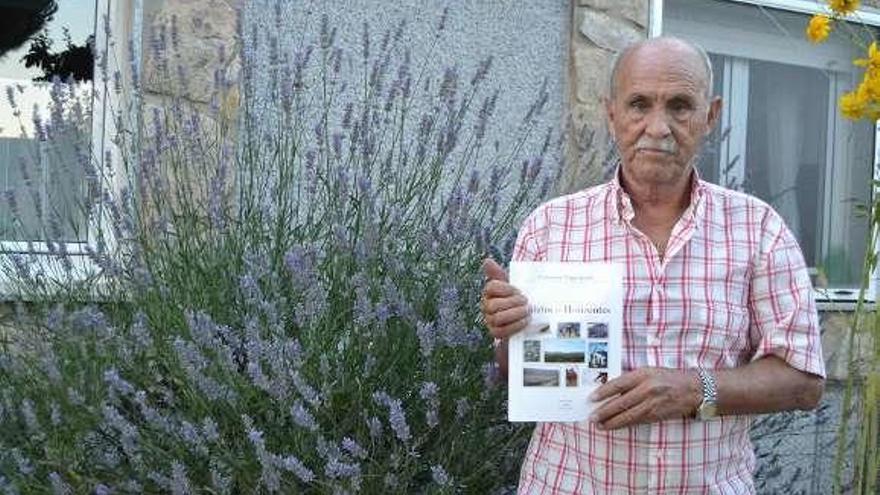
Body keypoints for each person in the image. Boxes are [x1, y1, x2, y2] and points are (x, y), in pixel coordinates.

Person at [480, 37, 825, 494]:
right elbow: (518, 373)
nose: (657, 127)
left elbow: (803, 382)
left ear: (711, 116)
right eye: (639, 104)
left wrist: (692, 390)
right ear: (612, 114)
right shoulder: (551, 226)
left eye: (680, 106)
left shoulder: (759, 230)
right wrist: (509, 333)